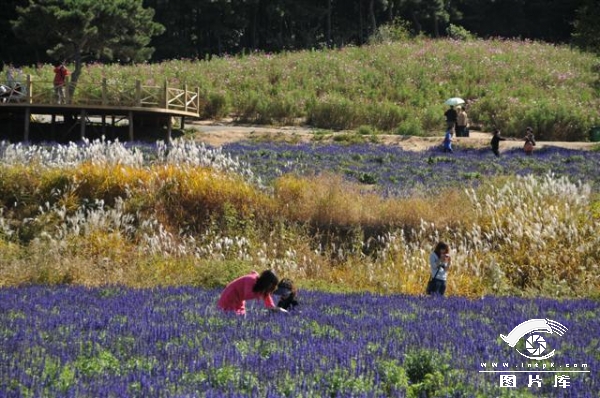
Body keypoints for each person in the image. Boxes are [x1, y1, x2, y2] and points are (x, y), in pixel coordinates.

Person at [217, 270, 287, 315]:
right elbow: (247, 294)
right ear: (267, 283)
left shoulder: (261, 288)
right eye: (271, 286)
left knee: (241, 315)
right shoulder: (251, 279)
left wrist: (273, 308)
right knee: (230, 315)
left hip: (238, 300)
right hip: (230, 297)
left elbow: (267, 299)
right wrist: (260, 295)